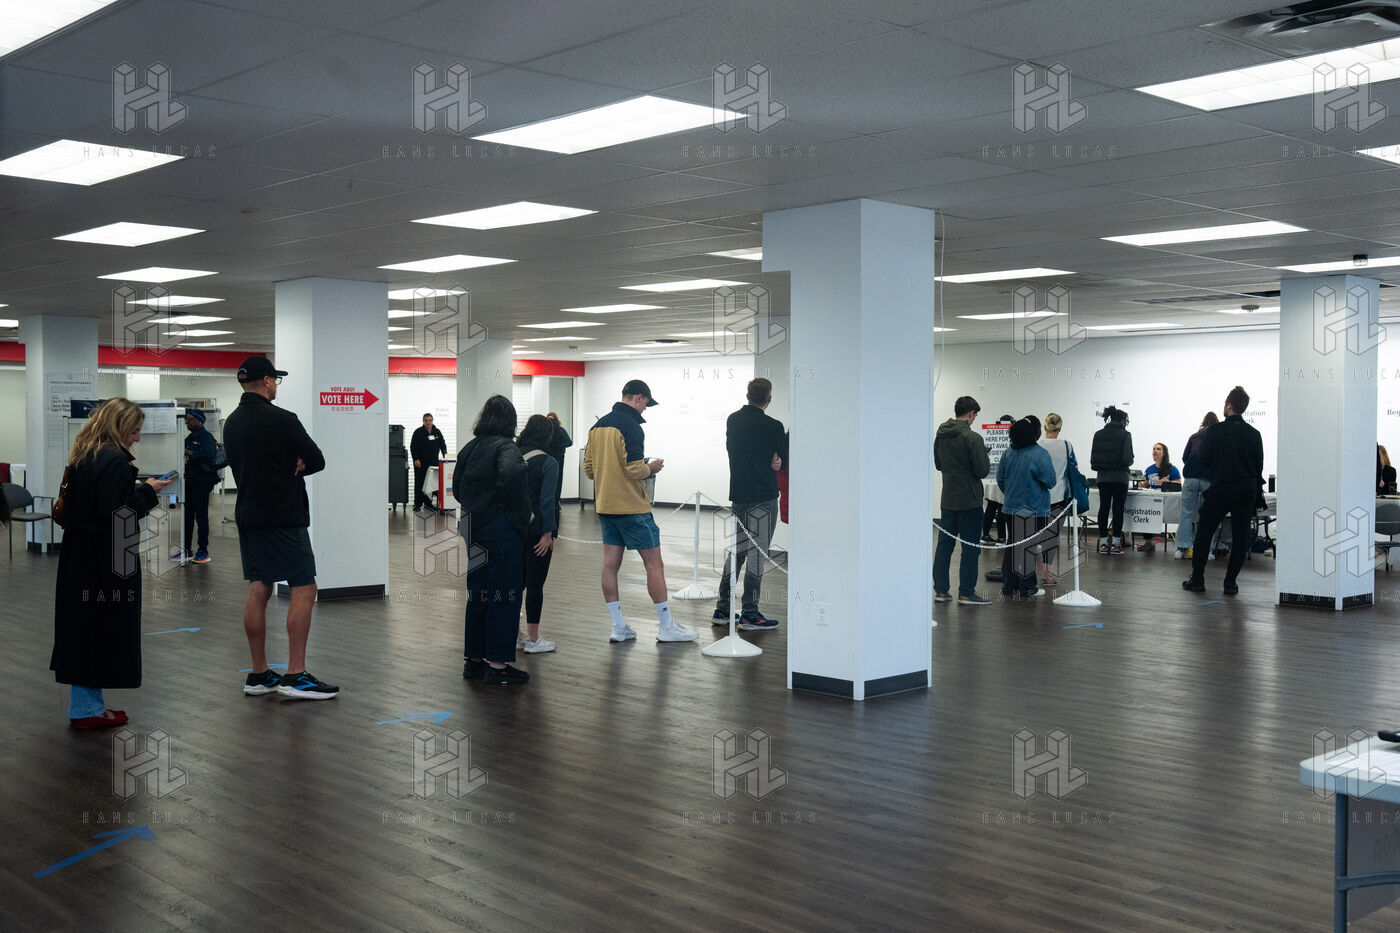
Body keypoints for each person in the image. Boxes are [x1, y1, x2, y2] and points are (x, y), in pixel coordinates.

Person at [51, 398, 174, 728]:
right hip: (107, 557)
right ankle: (88, 710)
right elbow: (118, 514)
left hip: (80, 555)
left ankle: (85, 705)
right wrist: (148, 491)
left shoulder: (85, 454)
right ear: (119, 427)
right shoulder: (114, 460)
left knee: (83, 630)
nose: (137, 438)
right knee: (102, 629)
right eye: (134, 431)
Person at [224, 356, 337, 700]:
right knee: (304, 586)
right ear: (267, 381)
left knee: (259, 586)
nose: (276, 386)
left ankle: (259, 674)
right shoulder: (283, 419)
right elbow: (317, 459)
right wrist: (295, 462)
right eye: (275, 380)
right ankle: (296, 675)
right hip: (283, 517)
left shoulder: (232, 422)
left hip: (249, 515)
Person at [582, 379, 697, 643]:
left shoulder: (597, 428)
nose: (645, 409)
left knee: (610, 565)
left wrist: (616, 470)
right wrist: (651, 467)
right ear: (638, 398)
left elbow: (589, 470)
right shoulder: (631, 427)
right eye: (646, 403)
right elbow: (634, 470)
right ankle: (666, 626)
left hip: (606, 507)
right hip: (633, 508)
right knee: (654, 565)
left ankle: (618, 626)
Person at [455, 395, 531, 684]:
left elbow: (457, 487)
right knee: (505, 593)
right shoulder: (507, 447)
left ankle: (474, 660)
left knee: (479, 592)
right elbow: (512, 478)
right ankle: (497, 664)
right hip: (501, 528)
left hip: (473, 526)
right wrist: (511, 510)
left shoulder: (470, 447)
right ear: (511, 421)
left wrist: (477, 505)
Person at [711, 378, 787, 631]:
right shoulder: (774, 426)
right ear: (769, 399)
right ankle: (750, 614)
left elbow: (733, 449)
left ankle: (723, 609)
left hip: (740, 496)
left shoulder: (733, 420)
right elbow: (782, 458)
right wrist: (779, 461)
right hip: (764, 497)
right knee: (757, 555)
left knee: (738, 551)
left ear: (747, 396)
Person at [1183, 386, 1265, 597]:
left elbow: (1204, 460)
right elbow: (1259, 466)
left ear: (1229, 405)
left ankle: (1197, 579)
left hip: (1221, 487)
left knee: (1204, 532)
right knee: (1240, 536)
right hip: (1245, 490)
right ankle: (1230, 583)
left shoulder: (1215, 431)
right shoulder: (1254, 434)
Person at [933, 395, 992, 606]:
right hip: (970, 501)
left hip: (948, 498)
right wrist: (985, 457)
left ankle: (941, 591)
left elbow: (938, 465)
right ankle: (966, 593)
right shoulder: (973, 438)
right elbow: (982, 471)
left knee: (944, 546)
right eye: (975, 415)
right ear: (971, 414)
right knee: (970, 548)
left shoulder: (941, 435)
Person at [515, 414, 560, 655]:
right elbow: (547, 501)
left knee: (515, 583)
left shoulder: (512, 455)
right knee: (535, 585)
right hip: (537, 533)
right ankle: (533, 639)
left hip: (513, 530)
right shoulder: (548, 462)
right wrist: (548, 534)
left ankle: (515, 635)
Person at [997, 417, 1056, 598]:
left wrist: (1011, 493)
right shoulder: (1040, 454)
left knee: (1013, 545)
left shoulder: (1008, 453)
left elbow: (1000, 479)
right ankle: (1028, 587)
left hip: (1010, 508)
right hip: (1033, 508)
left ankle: (1009, 585)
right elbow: (1050, 481)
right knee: (1028, 547)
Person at [174, 408, 218, 564]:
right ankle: (186, 550)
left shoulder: (206, 437)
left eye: (190, 419)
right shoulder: (189, 437)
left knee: (201, 517)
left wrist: (189, 452)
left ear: (200, 421)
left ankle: (203, 551)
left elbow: (210, 455)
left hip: (202, 483)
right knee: (187, 517)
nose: (187, 422)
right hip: (189, 482)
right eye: (186, 419)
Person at [1037, 412, 1075, 585]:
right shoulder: (1067, 445)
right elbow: (1073, 467)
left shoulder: (1036, 445)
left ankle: (1026, 575)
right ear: (1060, 428)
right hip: (1059, 495)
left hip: (1039, 495)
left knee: (1032, 534)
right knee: (1052, 536)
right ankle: (1046, 575)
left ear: (1045, 427)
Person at [1090, 406, 1133, 555]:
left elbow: (1093, 458)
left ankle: (1103, 543)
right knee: (1117, 510)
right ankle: (1115, 545)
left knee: (1103, 508)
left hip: (1103, 477)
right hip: (1120, 478)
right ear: (1122, 420)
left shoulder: (1098, 434)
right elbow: (1128, 459)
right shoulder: (1125, 435)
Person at [1177, 412, 1218, 559]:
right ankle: (1205, 551)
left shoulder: (1194, 436)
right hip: (1208, 479)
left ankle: (1181, 549)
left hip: (1191, 478)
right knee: (1208, 516)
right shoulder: (1217, 437)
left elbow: (1184, 458)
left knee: (1186, 514)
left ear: (1203, 423)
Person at [1134, 442, 1181, 551]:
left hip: (1167, 502)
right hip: (1152, 501)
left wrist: (1168, 482)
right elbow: (1146, 485)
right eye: (1154, 449)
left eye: (1158, 449)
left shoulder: (1172, 469)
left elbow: (1179, 485)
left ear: (1164, 453)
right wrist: (1139, 483)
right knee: (1144, 511)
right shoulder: (1149, 469)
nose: (1155, 451)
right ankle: (1149, 542)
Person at [981, 414, 1015, 543]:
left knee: (990, 507)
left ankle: (985, 535)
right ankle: (1001, 537)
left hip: (991, 476)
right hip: (1002, 478)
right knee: (1001, 507)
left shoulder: (992, 438)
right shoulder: (1011, 441)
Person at [410, 413, 448, 512]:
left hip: (433, 463)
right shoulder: (418, 432)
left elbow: (442, 444)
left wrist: (445, 455)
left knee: (431, 484)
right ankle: (417, 504)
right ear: (423, 421)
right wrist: (415, 459)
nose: (428, 422)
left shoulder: (437, 432)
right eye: (426, 420)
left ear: (432, 421)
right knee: (420, 483)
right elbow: (413, 447)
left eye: (430, 420)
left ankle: (428, 504)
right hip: (420, 463)